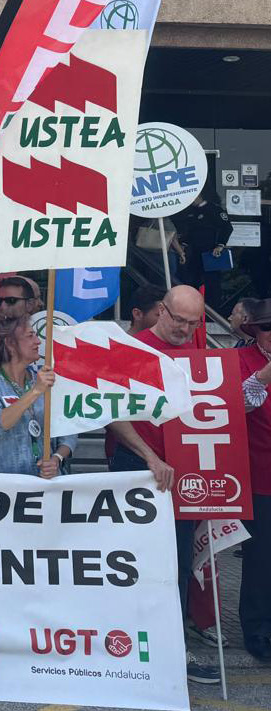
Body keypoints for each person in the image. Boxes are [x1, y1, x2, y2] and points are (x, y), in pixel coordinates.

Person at [105, 285, 218, 684]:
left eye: (194, 323)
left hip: (182, 475)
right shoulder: (132, 348)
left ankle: (173, 648)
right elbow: (111, 413)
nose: (185, 330)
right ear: (161, 311)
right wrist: (150, 457)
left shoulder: (199, 352)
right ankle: (122, 644)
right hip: (136, 467)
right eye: (179, 320)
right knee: (128, 561)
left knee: (177, 563)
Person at [0, 316, 75, 476]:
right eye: (30, 336)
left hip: (45, 482)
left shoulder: (44, 378)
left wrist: (56, 459)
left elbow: (68, 431)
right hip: (3, 485)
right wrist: (35, 391)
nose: (38, 341)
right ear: (10, 343)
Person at [236, 300, 271, 661]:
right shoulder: (242, 361)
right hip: (261, 472)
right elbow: (235, 404)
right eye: (267, 327)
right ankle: (258, 627)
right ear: (255, 331)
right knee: (262, 557)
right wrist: (265, 374)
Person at [173, 189, 233, 299]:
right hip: (195, 253)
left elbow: (227, 227)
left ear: (198, 196)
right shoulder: (191, 212)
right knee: (193, 281)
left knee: (212, 283)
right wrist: (183, 245)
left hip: (211, 252)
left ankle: (214, 310)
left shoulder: (214, 209)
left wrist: (220, 245)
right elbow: (190, 233)